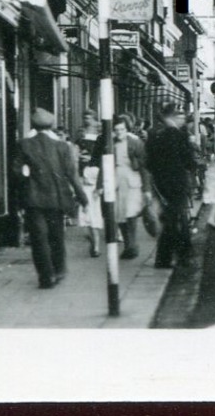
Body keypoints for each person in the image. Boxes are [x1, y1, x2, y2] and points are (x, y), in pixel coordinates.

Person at [16, 108, 89, 288]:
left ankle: (46, 276)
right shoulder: (62, 146)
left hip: (33, 199)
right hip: (56, 198)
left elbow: (16, 173)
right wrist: (83, 198)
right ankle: (59, 270)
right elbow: (72, 175)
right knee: (56, 236)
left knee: (39, 238)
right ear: (51, 126)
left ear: (33, 125)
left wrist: (24, 189)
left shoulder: (24, 144)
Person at [144, 103, 201, 268]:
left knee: (173, 219)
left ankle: (169, 257)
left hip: (160, 185)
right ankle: (178, 256)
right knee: (175, 220)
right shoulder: (180, 136)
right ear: (173, 117)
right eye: (181, 116)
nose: (183, 119)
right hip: (177, 184)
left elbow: (149, 163)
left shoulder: (154, 135)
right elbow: (188, 162)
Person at [93, 116, 147, 260]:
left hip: (132, 181)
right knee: (119, 215)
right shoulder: (110, 145)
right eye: (116, 130)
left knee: (131, 214)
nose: (119, 132)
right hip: (116, 181)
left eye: (122, 129)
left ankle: (132, 245)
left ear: (127, 129)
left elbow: (144, 167)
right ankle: (129, 245)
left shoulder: (136, 143)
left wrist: (146, 189)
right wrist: (99, 186)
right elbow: (104, 165)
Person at [75, 113, 104, 257]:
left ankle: (97, 244)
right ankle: (93, 240)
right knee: (85, 211)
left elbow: (100, 157)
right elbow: (75, 152)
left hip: (94, 173)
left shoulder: (100, 137)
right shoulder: (80, 134)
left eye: (89, 118)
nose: (86, 121)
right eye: (84, 118)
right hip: (82, 173)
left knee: (93, 210)